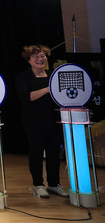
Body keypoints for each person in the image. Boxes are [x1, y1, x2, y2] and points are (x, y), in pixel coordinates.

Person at [15, 45, 68, 198]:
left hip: (54, 119)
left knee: (54, 152)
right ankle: (38, 184)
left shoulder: (53, 75)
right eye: (36, 57)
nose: (40, 59)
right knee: (36, 152)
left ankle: (54, 184)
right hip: (33, 120)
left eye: (43, 56)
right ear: (29, 60)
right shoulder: (23, 77)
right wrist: (47, 89)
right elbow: (26, 97)